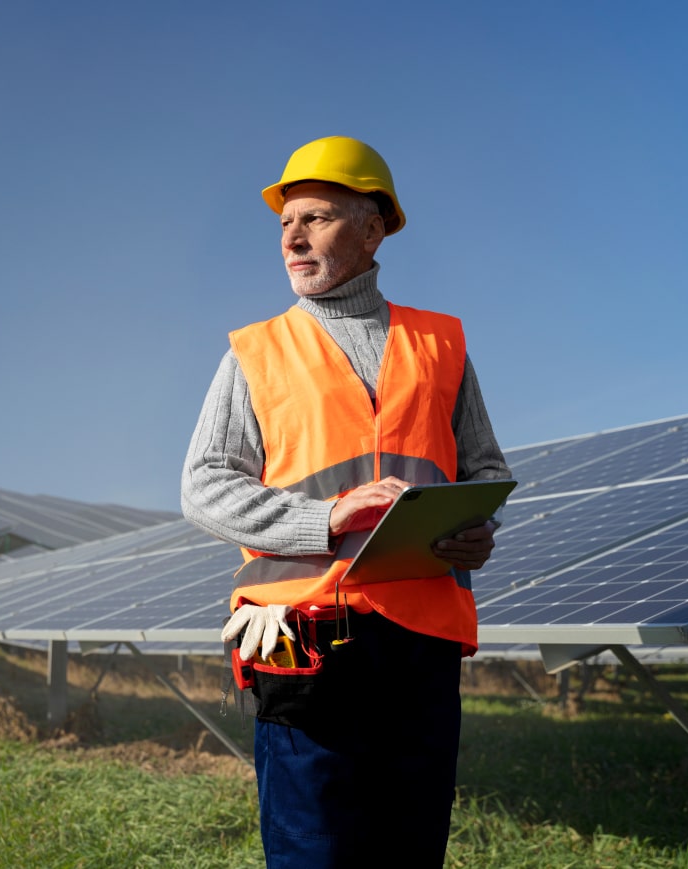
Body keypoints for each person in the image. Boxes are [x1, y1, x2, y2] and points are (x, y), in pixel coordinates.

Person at [181, 135, 511, 867]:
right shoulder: (254, 351)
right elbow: (203, 486)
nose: (292, 238)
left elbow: (483, 468)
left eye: (316, 219)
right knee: (313, 848)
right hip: (302, 633)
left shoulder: (441, 343)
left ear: (372, 229)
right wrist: (324, 518)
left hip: (421, 639)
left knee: (410, 843)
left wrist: (475, 530)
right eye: (284, 223)